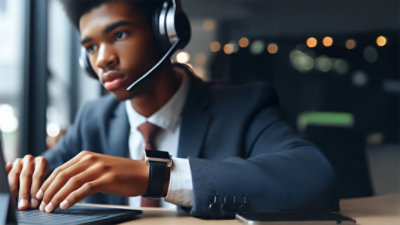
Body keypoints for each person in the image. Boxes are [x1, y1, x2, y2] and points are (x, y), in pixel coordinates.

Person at [6, 0, 339, 218]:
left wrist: (156, 177)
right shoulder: (95, 118)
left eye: (119, 34)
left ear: (166, 33)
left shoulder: (243, 106)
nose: (103, 59)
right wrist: (27, 177)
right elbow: (46, 182)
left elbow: (314, 178)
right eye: (90, 47)